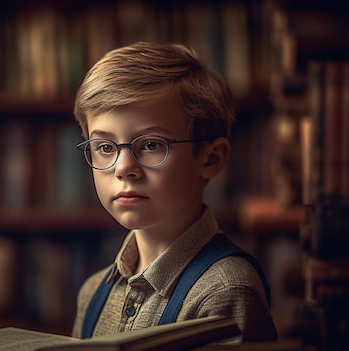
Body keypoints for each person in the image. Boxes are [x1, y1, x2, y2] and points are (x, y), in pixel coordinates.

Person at [70, 42, 277, 343]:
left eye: (152, 145)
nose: (124, 168)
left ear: (211, 158)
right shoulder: (92, 293)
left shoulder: (225, 291)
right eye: (105, 147)